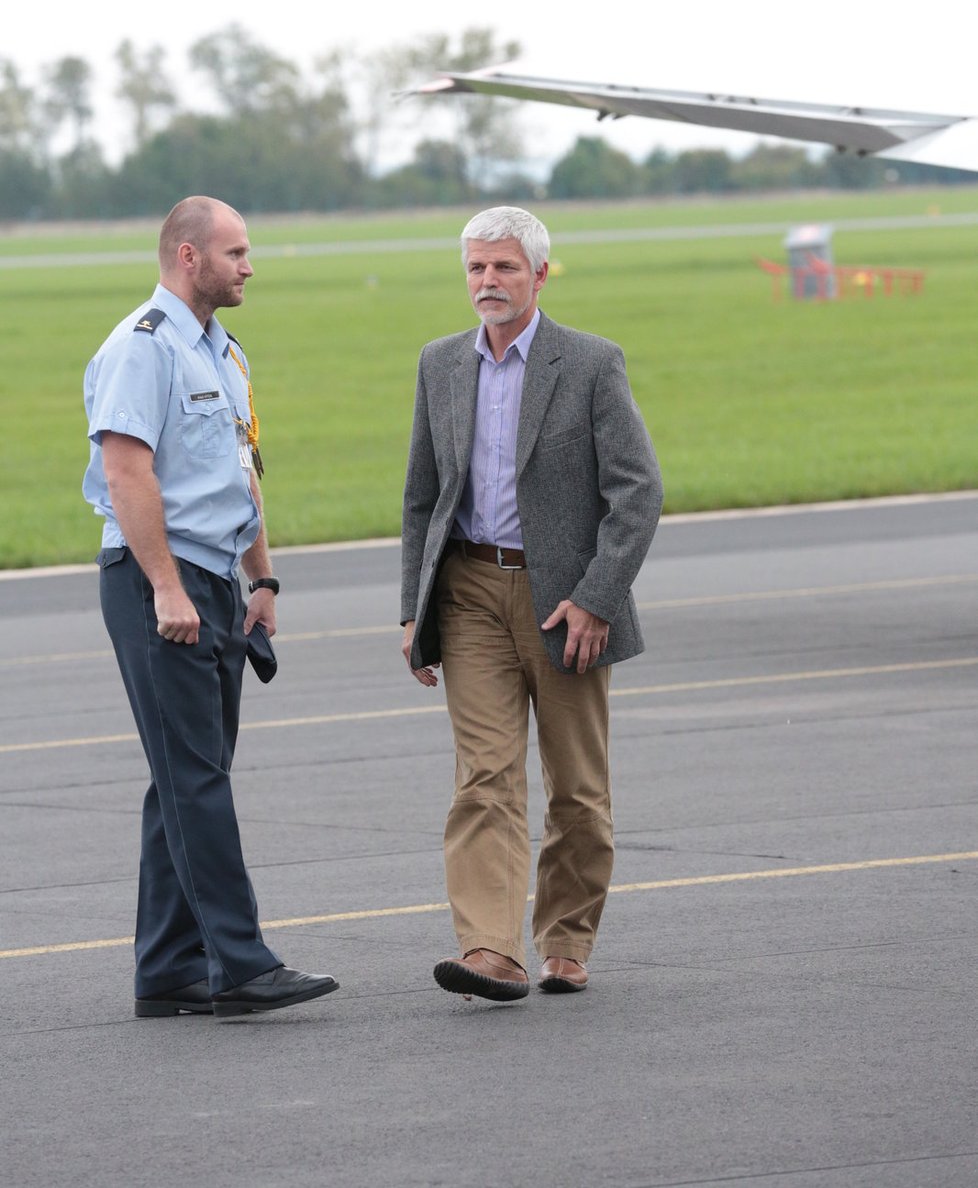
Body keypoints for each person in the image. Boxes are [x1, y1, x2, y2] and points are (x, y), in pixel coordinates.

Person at [83, 196, 338, 1019]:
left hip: (218, 582)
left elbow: (241, 467)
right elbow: (128, 476)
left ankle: (167, 968)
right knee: (196, 780)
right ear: (188, 258)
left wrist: (261, 581)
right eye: (235, 252)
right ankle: (243, 963)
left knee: (185, 779)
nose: (249, 266)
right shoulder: (141, 350)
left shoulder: (224, 353)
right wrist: (165, 587)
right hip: (161, 580)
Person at [401, 205, 663, 1002]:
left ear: (540, 274)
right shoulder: (441, 363)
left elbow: (638, 492)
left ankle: (567, 940)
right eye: (477, 267)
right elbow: (423, 497)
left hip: (565, 605)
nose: (489, 282)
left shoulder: (589, 364)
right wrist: (415, 607)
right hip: (470, 592)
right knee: (484, 775)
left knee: (578, 789)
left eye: (505, 267)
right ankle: (490, 951)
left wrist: (597, 596)